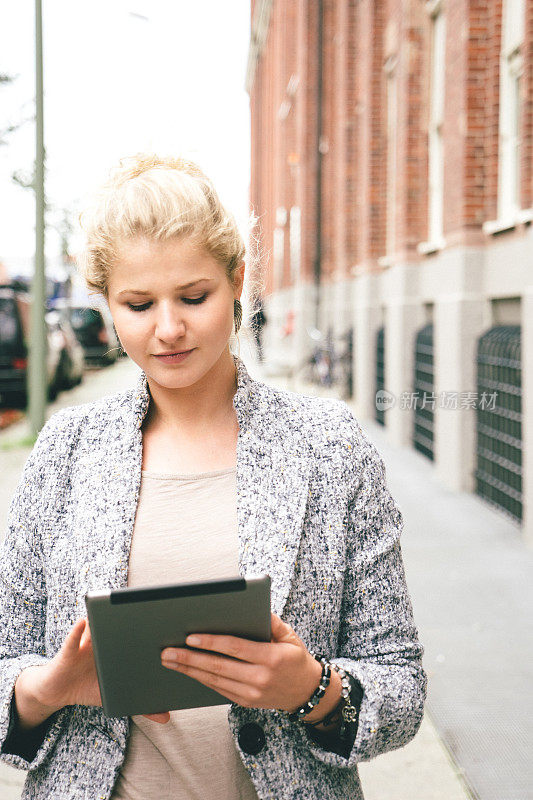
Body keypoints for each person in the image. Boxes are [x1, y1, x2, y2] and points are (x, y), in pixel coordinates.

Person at [0, 154, 427, 800]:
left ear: (236, 281)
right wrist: (44, 688)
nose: (168, 329)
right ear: (108, 305)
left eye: (193, 297)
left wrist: (309, 689)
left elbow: (401, 684)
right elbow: (8, 652)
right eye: (137, 304)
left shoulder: (327, 446)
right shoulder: (66, 450)